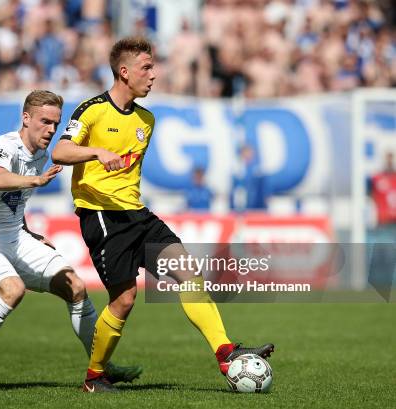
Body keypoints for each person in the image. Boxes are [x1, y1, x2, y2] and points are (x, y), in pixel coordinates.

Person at [52, 37, 274, 393]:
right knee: (124, 300)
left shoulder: (146, 119)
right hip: (104, 217)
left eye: (153, 67)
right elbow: (60, 152)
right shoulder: (91, 110)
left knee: (189, 272)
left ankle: (225, 353)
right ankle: (94, 377)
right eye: (146, 68)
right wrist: (95, 151)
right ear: (124, 72)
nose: (153, 75)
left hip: (138, 215)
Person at [0, 90, 141, 393]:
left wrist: (29, 232)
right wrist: (35, 180)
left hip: (14, 236)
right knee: (12, 290)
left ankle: (101, 367)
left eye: (56, 123)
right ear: (26, 118)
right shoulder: (5, 146)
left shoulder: (39, 154)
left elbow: (12, 202)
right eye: (45, 121)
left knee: (76, 287)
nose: (51, 130)